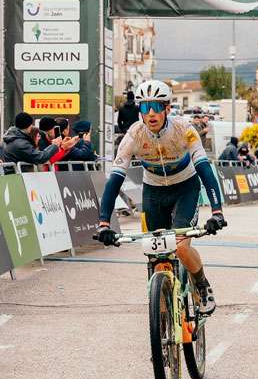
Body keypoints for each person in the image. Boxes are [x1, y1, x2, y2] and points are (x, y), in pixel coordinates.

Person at [96, 80, 226, 315]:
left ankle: (202, 285)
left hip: (185, 188)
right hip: (153, 192)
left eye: (156, 106)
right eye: (145, 108)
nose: (151, 113)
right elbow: (114, 179)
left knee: (181, 247)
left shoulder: (184, 129)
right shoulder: (133, 135)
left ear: (167, 108)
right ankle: (164, 320)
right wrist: (104, 222)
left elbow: (205, 170)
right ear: (140, 112)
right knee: (156, 253)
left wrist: (217, 211)